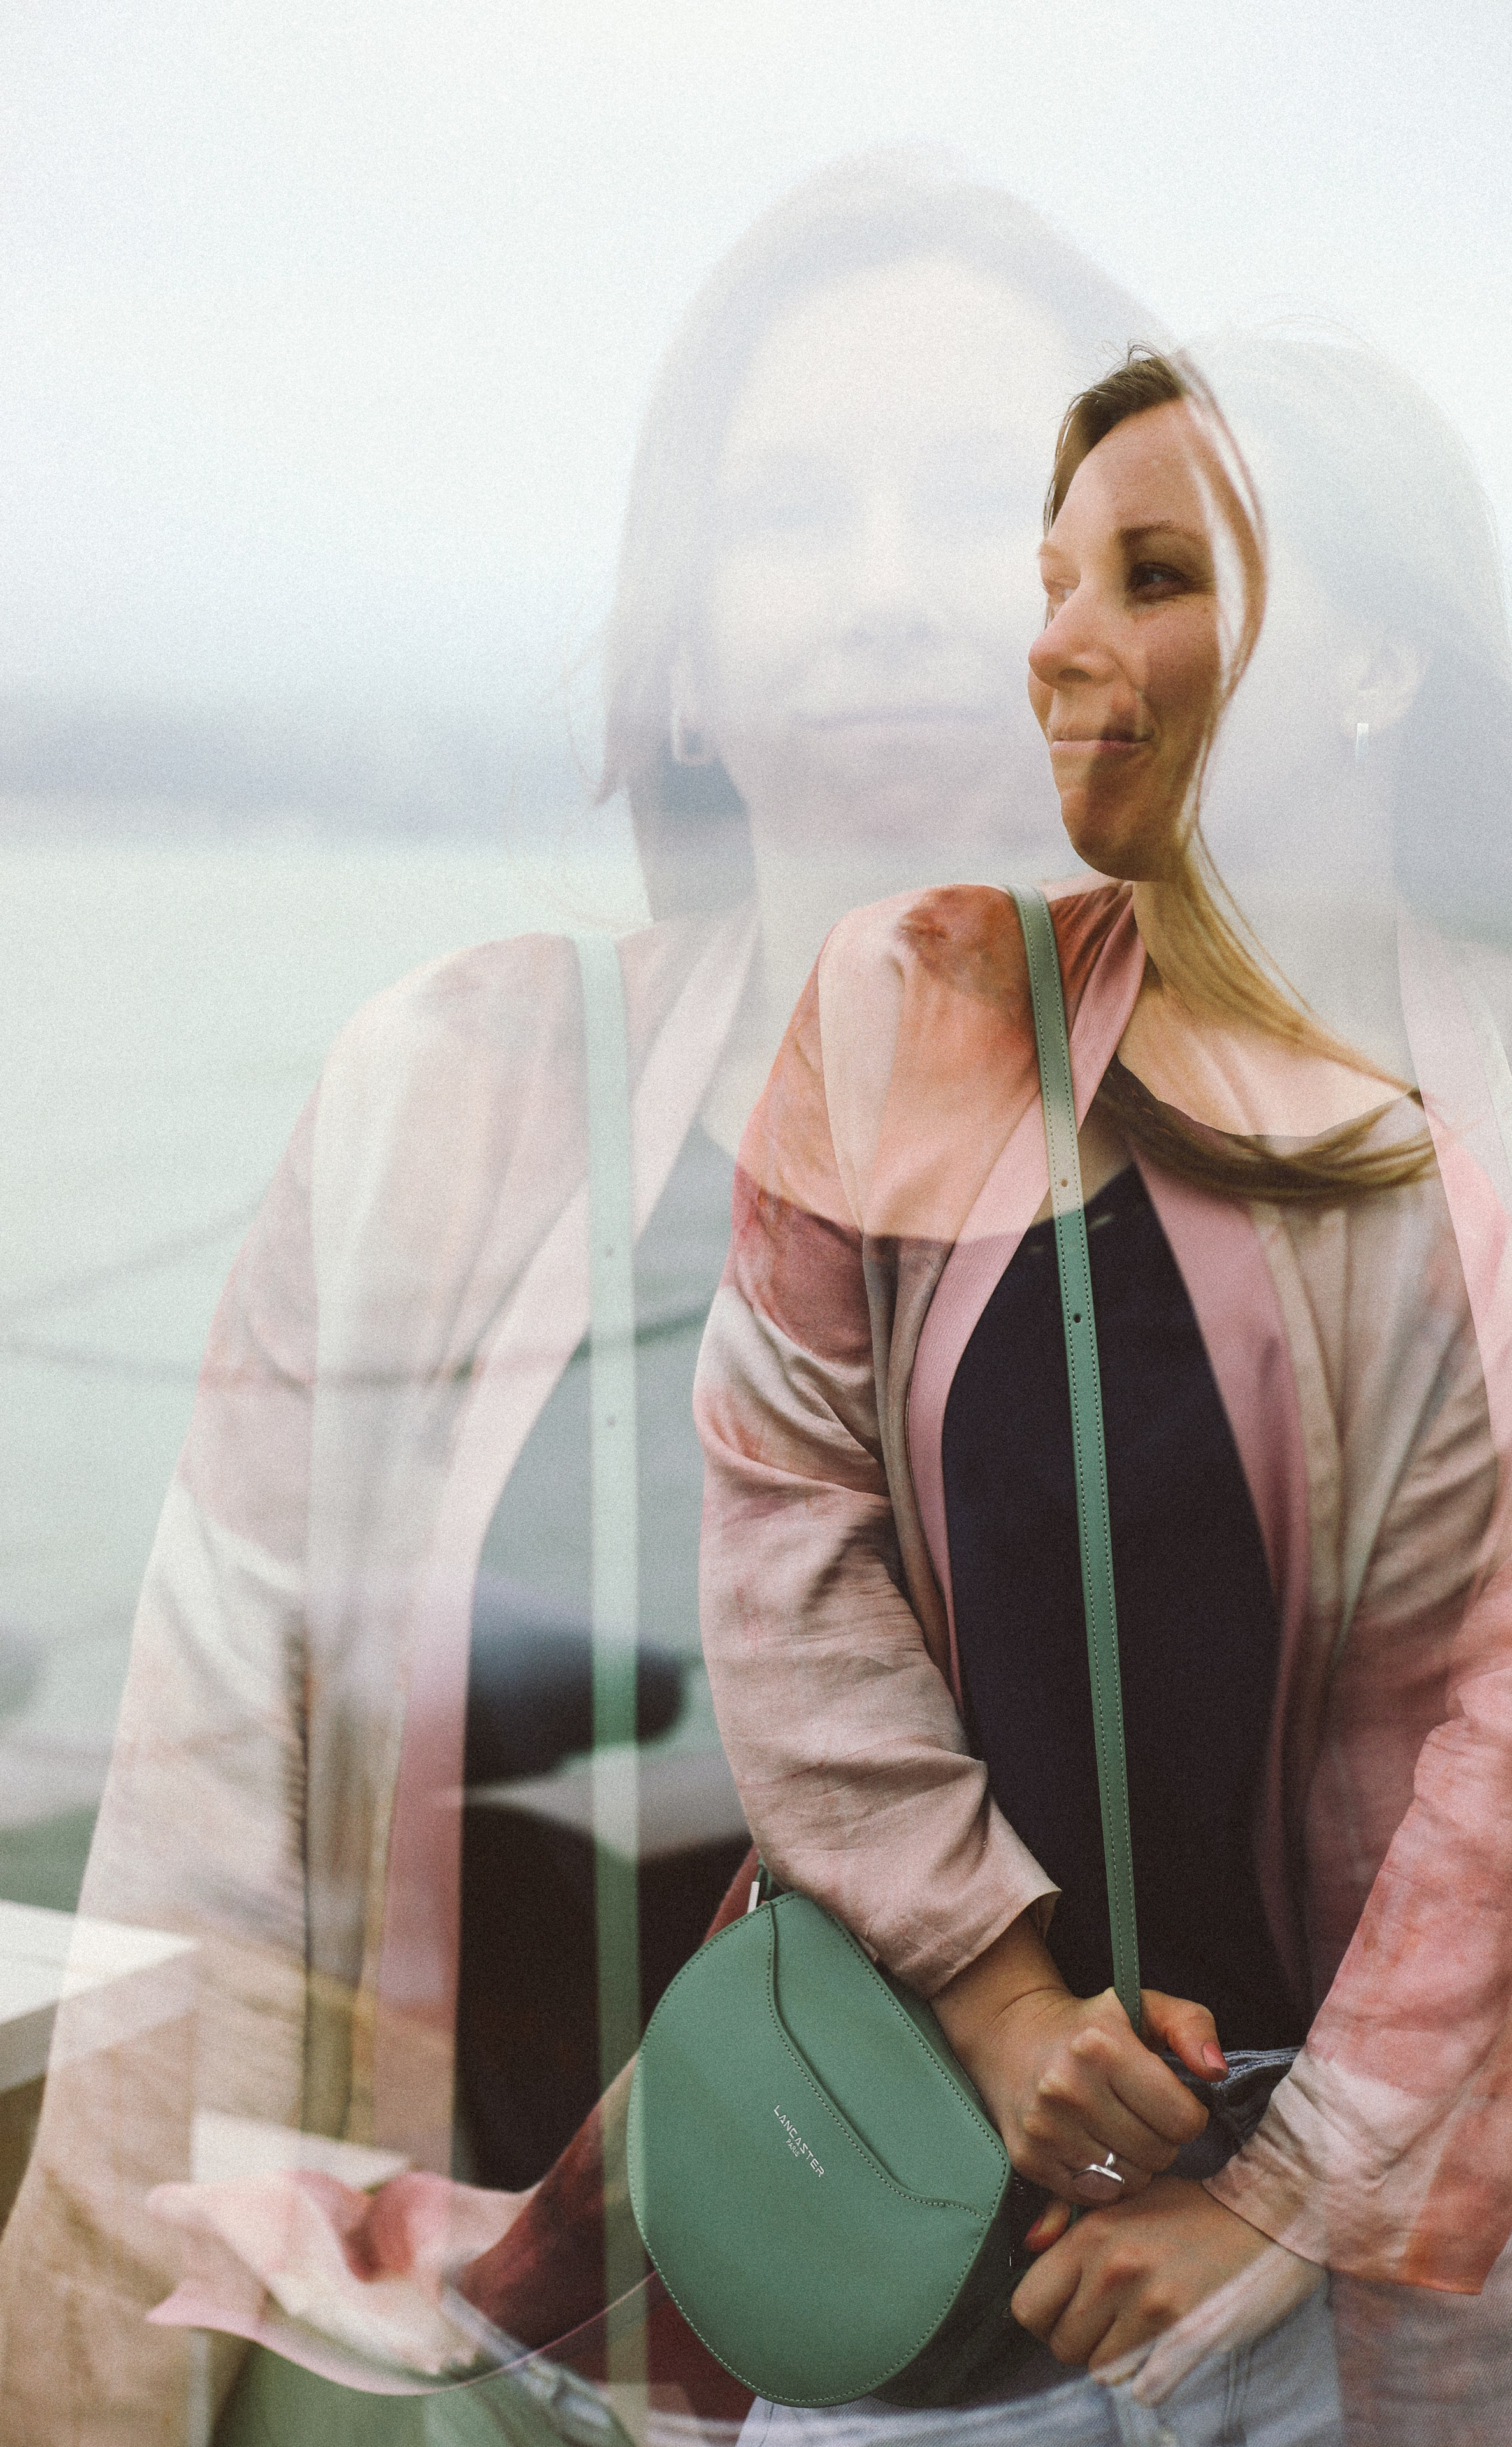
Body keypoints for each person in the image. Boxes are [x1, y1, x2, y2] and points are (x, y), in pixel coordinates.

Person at [0, 155, 1156, 2445]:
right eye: (794, 511)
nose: (892, 586)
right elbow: (211, 1869)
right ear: (689, 655)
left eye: (984, 498)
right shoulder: (448, 1106)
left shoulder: (1335, 1154)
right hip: (499, 2373)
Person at [693, 336, 1512, 2446]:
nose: (1055, 645)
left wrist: (1285, 2202)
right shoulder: (909, 1006)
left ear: (1376, 662)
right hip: (941, 2156)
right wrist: (999, 2001)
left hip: (1412, 2229)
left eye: (1151, 575)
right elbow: (784, 1540)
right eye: (1053, 581)